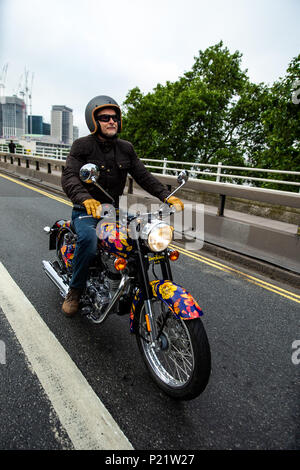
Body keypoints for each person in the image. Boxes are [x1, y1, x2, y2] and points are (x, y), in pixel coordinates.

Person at [61, 95, 184, 316]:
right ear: (94, 121)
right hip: (85, 211)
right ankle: (75, 291)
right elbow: (69, 176)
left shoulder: (125, 148)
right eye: (105, 117)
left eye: (115, 117)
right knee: (88, 241)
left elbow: (143, 175)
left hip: (113, 212)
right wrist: (84, 198)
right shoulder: (82, 146)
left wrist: (166, 196)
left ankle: (133, 288)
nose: (111, 121)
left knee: (144, 237)